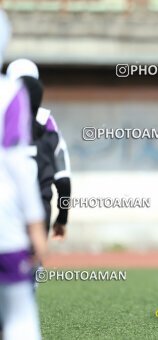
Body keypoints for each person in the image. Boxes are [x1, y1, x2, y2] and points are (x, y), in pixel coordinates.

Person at [0, 10, 47, 340]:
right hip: (6, 227)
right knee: (21, 318)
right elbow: (18, 166)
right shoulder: (10, 94)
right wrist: (36, 227)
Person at [7, 59, 71, 239]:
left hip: (7, 210)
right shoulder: (48, 124)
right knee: (34, 264)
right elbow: (63, 180)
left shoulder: (4, 120)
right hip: (39, 210)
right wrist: (62, 218)